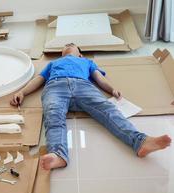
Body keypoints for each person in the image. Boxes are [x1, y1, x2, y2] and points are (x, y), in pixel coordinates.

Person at [10, 43, 172, 170]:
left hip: (83, 87)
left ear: (79, 53)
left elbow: (99, 79)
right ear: (61, 53)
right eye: (65, 45)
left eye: (72, 45)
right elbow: (39, 79)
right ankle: (58, 154)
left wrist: (112, 89)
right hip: (55, 87)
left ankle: (141, 141)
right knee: (53, 116)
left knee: (108, 110)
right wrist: (22, 92)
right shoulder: (54, 63)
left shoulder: (86, 61)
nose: (68, 45)